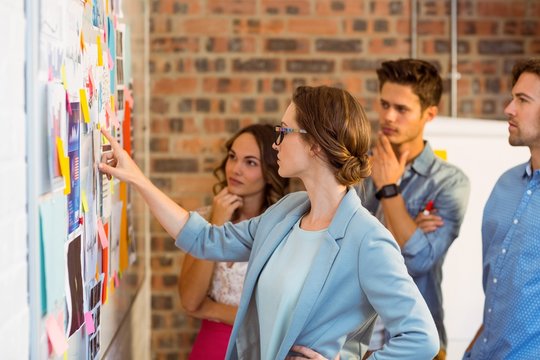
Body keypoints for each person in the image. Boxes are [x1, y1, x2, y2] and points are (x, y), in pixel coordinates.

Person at [99, 85, 439, 359]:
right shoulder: (287, 212)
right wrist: (138, 180)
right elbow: (205, 239)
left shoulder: (367, 240)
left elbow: (421, 338)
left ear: (315, 146)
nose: (276, 142)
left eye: (284, 131)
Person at [355, 59, 470, 360]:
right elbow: (342, 248)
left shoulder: (449, 181)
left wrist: (389, 190)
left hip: (418, 340)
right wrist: (406, 228)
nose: (388, 116)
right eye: (384, 104)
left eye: (402, 109)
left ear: (429, 114)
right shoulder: (357, 170)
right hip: (355, 338)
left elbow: (422, 259)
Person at [178, 124, 289, 359]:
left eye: (250, 162)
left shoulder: (282, 231)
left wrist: (209, 308)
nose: (235, 169)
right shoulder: (204, 218)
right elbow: (189, 301)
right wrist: (215, 225)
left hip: (255, 350)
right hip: (207, 348)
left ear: (270, 173)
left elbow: (275, 318)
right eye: (232, 157)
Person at [463, 58, 540, 359]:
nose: (509, 108)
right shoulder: (505, 186)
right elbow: (500, 296)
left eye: (523, 100)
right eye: (513, 97)